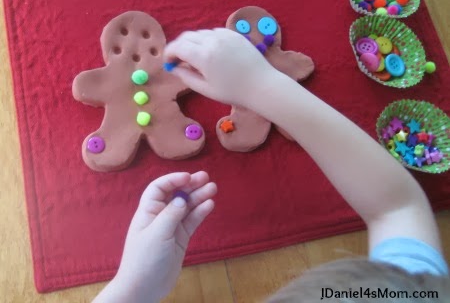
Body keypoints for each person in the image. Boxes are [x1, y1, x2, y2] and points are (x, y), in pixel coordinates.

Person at [94, 28, 450, 303]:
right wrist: (260, 84)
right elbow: (397, 207)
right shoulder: (412, 290)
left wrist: (127, 292)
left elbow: (396, 209)